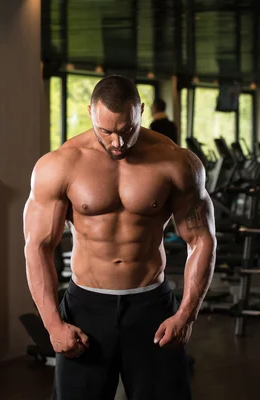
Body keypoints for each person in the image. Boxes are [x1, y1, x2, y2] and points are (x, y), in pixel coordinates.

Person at [23, 75, 217, 400]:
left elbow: (202, 240)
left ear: (141, 111)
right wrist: (53, 325)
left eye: (127, 129)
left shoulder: (176, 162)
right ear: (90, 113)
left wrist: (186, 315)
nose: (117, 142)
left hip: (151, 305)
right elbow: (38, 247)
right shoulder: (60, 165)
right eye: (106, 131)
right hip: (86, 306)